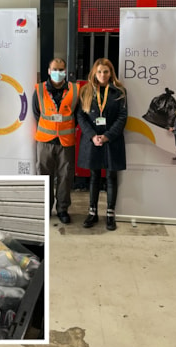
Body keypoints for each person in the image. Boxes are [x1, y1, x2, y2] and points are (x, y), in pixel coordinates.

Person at [77, 58, 127, 231]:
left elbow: (122, 117)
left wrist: (106, 136)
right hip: (92, 141)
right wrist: (92, 136)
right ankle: (92, 213)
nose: (102, 75)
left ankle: (110, 215)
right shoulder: (85, 91)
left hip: (112, 140)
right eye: (99, 72)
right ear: (94, 73)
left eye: (106, 71)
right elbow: (81, 117)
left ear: (111, 73)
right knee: (94, 177)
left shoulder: (119, 92)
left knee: (111, 177)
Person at [32, 58, 79, 224]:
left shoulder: (75, 89)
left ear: (65, 71)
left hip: (66, 141)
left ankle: (62, 209)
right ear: (48, 70)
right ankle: (45, 209)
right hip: (45, 141)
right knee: (44, 176)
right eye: (55, 69)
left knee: (65, 177)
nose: (58, 73)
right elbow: (37, 113)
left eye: (61, 69)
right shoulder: (39, 89)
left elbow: (77, 115)